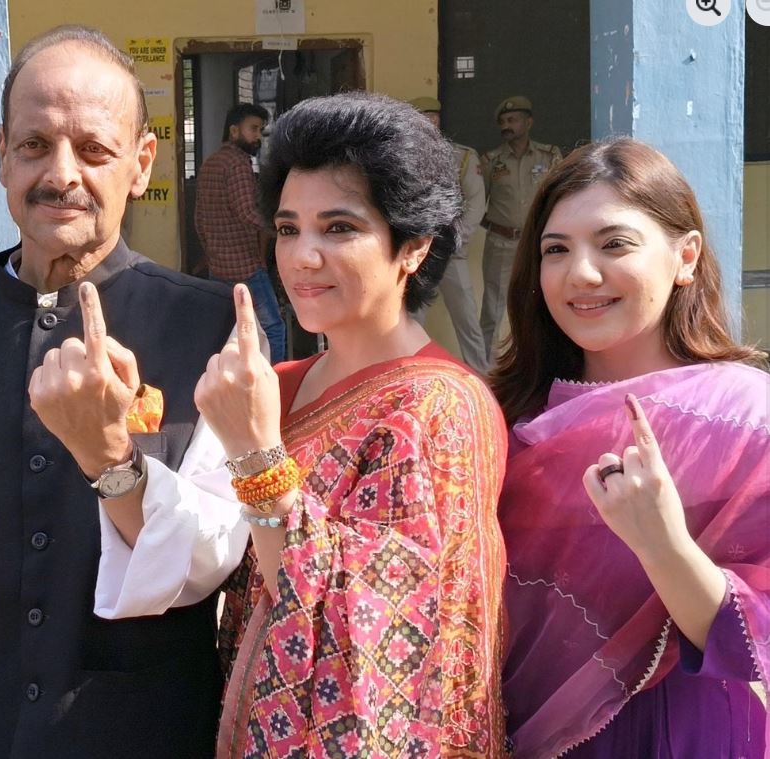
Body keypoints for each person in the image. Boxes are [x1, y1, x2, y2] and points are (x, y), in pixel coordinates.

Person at [0, 25, 249, 757]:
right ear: (0, 155)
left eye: (93, 148)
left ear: (141, 164)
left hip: (136, 722)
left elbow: (211, 555)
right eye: (33, 145)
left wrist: (113, 457)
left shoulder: (209, 325)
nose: (60, 173)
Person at [198, 92, 508, 757]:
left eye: (338, 228)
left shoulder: (439, 407)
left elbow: (381, 633)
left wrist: (255, 456)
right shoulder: (274, 388)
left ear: (413, 247)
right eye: (287, 229)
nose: (302, 256)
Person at [491, 138, 768, 758]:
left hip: (682, 730)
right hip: (515, 730)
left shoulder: (747, 420)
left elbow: (752, 641)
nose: (581, 274)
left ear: (685, 256)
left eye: (614, 245)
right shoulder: (508, 417)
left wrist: (661, 544)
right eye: (555, 250)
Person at [196, 103, 288, 364]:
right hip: (245, 268)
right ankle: (278, 383)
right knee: (273, 328)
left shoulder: (210, 163)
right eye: (253, 129)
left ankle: (228, 378)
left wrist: (211, 252)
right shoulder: (237, 164)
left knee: (229, 330)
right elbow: (247, 211)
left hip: (218, 266)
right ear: (234, 131)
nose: (258, 136)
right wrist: (283, 230)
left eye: (260, 130)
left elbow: (199, 219)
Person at [408, 96, 489, 372]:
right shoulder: (404, 157)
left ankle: (481, 377)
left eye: (434, 117)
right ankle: (410, 373)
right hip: (419, 252)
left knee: (466, 319)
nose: (429, 122)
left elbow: (476, 201)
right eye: (423, 117)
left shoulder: (462, 156)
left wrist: (458, 239)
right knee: (412, 316)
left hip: (451, 250)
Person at [479, 95, 562, 361]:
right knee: (494, 308)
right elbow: (478, 202)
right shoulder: (491, 160)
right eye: (503, 121)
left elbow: (560, 197)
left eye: (512, 120)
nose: (507, 125)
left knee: (544, 301)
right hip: (501, 242)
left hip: (540, 243)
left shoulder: (550, 156)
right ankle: (488, 373)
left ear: (528, 122)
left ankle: (544, 363)